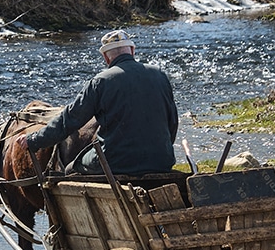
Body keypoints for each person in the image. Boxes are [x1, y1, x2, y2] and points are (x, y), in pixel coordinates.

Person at [22, 29, 178, 176]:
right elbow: (173, 122)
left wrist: (35, 139)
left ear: (106, 57)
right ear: (132, 50)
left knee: (69, 169)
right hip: (162, 161)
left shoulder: (101, 82)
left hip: (115, 163)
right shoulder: (160, 75)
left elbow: (69, 121)